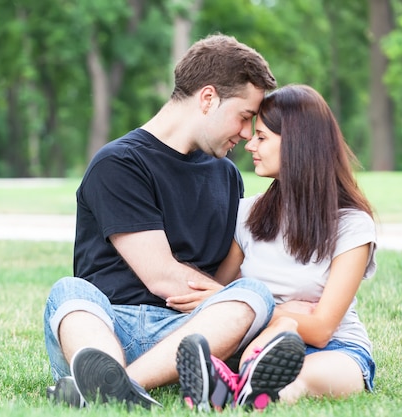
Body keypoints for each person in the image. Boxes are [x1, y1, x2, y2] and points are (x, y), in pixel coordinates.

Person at [43, 34, 305, 411]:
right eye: (245, 116)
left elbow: (230, 279)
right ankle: (102, 371)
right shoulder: (119, 164)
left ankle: (115, 386)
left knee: (254, 295)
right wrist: (219, 296)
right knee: (69, 293)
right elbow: (162, 276)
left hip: (192, 337)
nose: (247, 134)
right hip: (109, 328)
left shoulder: (226, 176)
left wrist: (237, 303)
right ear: (208, 98)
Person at [171, 84, 377, 407]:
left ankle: (234, 386)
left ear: (297, 145)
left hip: (336, 350)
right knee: (276, 340)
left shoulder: (351, 225)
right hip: (262, 343)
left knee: (297, 376)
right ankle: (243, 381)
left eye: (262, 137)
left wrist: (275, 313)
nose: (249, 144)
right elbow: (221, 291)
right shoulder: (248, 214)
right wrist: (282, 316)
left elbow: (323, 328)